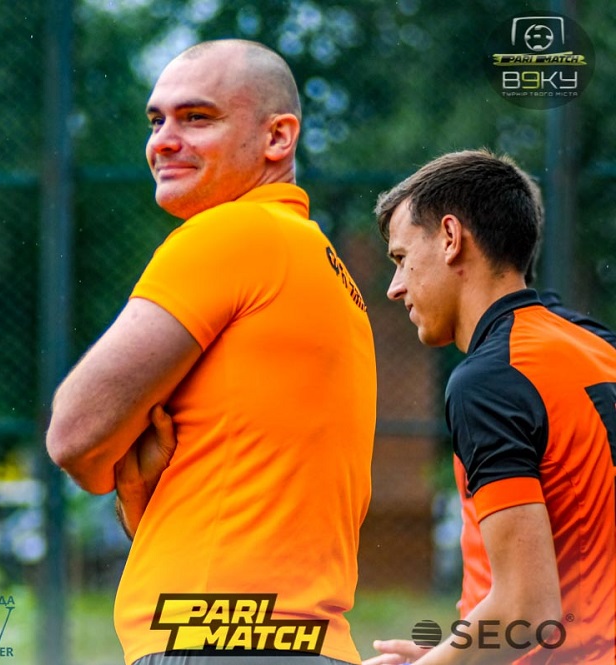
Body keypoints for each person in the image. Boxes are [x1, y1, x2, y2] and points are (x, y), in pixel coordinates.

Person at [46, 39, 376, 665]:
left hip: (209, 636)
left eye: (197, 118)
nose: (164, 142)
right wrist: (137, 486)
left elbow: (76, 436)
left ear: (278, 137)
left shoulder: (232, 232)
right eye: (156, 121)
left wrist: (113, 465)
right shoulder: (326, 271)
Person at [366, 149, 616, 665]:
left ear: (450, 238)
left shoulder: (490, 380)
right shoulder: (598, 348)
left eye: (401, 258)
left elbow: (527, 611)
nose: (395, 287)